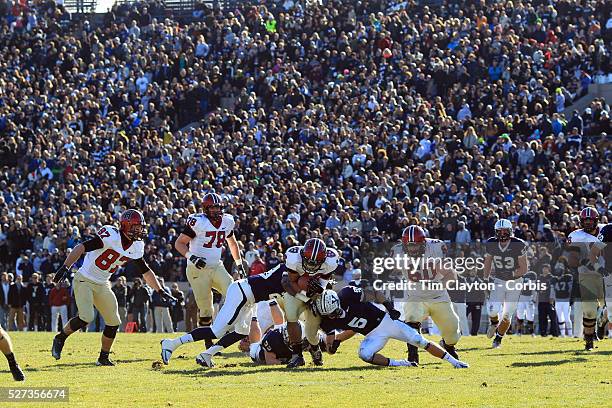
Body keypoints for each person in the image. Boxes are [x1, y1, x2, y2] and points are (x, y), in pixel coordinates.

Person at [50, 210, 176, 366]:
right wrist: (65, 267)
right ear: (125, 226)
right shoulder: (111, 236)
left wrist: (160, 290)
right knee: (87, 317)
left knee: (114, 321)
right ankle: (60, 338)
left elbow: (145, 271)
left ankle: (103, 357)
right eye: (136, 227)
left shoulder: (136, 246)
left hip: (103, 283)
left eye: (140, 227)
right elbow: (81, 247)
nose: (140, 230)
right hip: (84, 279)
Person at [160, 262, 287, 367]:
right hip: (242, 293)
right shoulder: (286, 273)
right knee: (217, 331)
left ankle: (207, 355)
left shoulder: (287, 272)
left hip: (250, 298)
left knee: (242, 332)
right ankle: (171, 343)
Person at [316, 288, 469, 368]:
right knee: (364, 354)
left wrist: (389, 307)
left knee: (419, 340)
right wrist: (331, 346)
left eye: (334, 312)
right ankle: (401, 363)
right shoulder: (327, 321)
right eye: (329, 315)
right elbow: (343, 335)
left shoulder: (348, 294)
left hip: (385, 322)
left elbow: (375, 293)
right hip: (372, 335)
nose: (333, 317)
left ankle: (454, 362)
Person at [174, 193, 245, 348]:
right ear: (205, 209)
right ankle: (208, 343)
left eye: (217, 207)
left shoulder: (227, 221)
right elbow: (179, 243)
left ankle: (242, 333)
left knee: (237, 292)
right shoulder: (198, 222)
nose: (215, 210)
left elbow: (232, 244)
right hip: (197, 269)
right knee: (206, 307)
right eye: (212, 207)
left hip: (216, 266)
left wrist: (239, 264)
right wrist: (192, 257)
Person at [397, 226, 462, 364]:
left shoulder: (435, 249)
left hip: (438, 295)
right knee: (411, 318)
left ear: (423, 243)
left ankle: (448, 346)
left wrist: (438, 285)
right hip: (415, 295)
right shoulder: (399, 254)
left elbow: (451, 275)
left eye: (415, 245)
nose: (412, 249)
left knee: (453, 332)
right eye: (409, 245)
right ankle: (412, 354)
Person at [281, 238, 342, 368]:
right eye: (308, 261)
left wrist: (320, 291)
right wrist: (306, 298)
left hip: (315, 294)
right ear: (302, 255)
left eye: (316, 263)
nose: (311, 266)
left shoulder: (331, 261)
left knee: (311, 332)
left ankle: (314, 348)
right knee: (291, 317)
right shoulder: (293, 258)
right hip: (296, 290)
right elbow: (289, 283)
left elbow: (324, 285)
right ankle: (297, 356)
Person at [484, 219, 528, 348]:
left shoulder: (518, 244)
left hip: (515, 281)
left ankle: (498, 339)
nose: (502, 233)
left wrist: (511, 275)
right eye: (500, 231)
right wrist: (485, 278)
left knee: (507, 314)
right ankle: (493, 322)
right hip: (499, 280)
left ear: (510, 231)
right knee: (492, 310)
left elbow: (524, 268)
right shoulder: (491, 243)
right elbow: (488, 261)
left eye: (505, 231)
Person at [567, 208, 606, 350]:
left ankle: (602, 320)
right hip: (587, 274)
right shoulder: (576, 236)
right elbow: (572, 259)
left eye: (590, 220)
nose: (588, 223)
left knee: (606, 307)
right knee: (589, 310)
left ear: (597, 220)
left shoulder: (606, 230)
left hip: (607, 275)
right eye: (585, 220)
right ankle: (589, 341)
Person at [515, 270, 537, 336]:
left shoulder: (532, 274)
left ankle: (532, 332)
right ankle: (519, 332)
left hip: (529, 297)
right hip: (520, 297)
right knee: (519, 315)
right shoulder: (519, 274)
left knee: (530, 316)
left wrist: (533, 298)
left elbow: (533, 287)